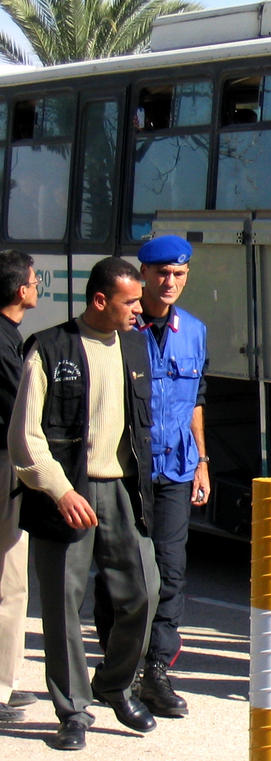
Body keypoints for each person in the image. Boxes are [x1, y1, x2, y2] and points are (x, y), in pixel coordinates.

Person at [9, 257, 160, 751]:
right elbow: (25, 438)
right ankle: (72, 710)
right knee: (62, 606)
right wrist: (60, 490)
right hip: (65, 491)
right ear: (100, 300)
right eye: (130, 301)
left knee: (144, 591)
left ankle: (114, 684)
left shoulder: (137, 344)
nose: (140, 308)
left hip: (122, 489)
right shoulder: (49, 349)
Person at [92, 235, 208, 718]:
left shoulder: (195, 330)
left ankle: (156, 670)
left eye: (179, 274)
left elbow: (198, 397)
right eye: (162, 273)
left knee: (171, 574)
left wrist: (203, 460)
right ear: (144, 274)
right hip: (127, 469)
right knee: (120, 572)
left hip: (177, 468)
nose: (170, 282)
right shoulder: (121, 327)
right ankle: (117, 664)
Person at [0, 250, 38, 722]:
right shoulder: (6, 344)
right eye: (32, 280)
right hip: (5, 461)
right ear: (19, 292)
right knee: (10, 579)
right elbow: (22, 405)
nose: (36, 285)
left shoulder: (11, 338)